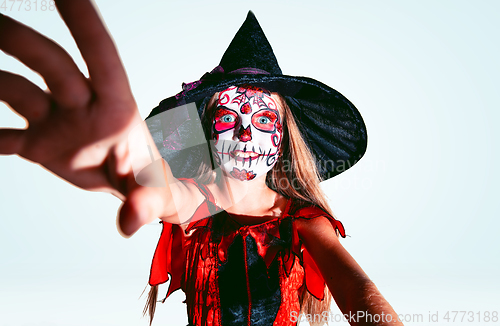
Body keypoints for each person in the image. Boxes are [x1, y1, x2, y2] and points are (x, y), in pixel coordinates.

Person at [0, 1, 403, 325]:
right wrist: (135, 169)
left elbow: (358, 293)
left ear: (283, 138)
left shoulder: (305, 222)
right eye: (229, 118)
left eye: (263, 120)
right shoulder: (197, 204)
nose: (246, 134)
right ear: (206, 131)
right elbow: (167, 195)